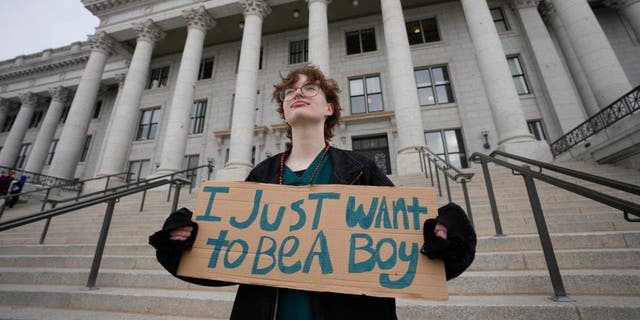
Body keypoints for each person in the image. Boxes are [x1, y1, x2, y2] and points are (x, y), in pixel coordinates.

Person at [150, 65, 476, 320]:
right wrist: (187, 244)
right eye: (290, 91)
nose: (297, 93)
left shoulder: (360, 169)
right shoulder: (260, 174)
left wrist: (442, 237)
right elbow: (229, 261)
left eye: (310, 88)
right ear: (284, 111)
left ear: (330, 108)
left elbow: (409, 250)